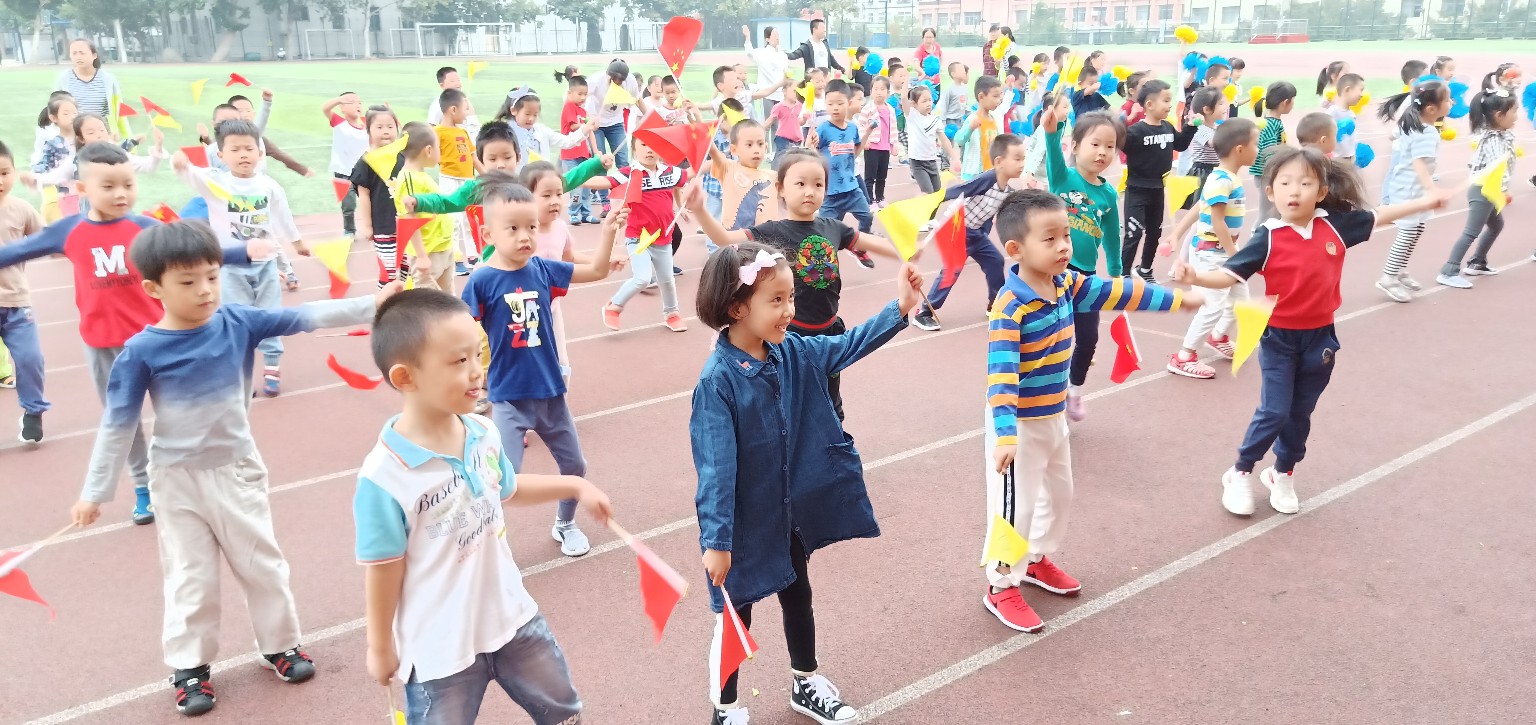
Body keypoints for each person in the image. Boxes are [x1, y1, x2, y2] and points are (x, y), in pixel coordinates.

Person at [68, 221, 389, 716]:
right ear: (154, 288)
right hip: (176, 480)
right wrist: (96, 491)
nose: (205, 290)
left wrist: (374, 304)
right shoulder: (141, 351)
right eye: (188, 281)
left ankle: (280, 646)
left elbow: (304, 316)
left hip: (236, 470)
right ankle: (189, 666)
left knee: (262, 564)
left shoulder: (237, 321)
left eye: (212, 277)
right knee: (190, 576)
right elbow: (118, 425)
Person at [692, 242, 924, 725]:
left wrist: (900, 307)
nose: (789, 311)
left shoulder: (793, 352)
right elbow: (715, 470)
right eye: (776, 300)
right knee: (736, 617)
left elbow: (848, 345)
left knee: (798, 594)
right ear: (737, 308)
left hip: (789, 513)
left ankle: (805, 681)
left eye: (791, 298)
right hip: (744, 526)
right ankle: (725, 709)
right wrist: (716, 542)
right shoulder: (718, 382)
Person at [358, 290, 611, 725]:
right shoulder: (384, 478)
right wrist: (380, 646)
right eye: (459, 361)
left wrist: (574, 484)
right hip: (440, 653)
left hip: (512, 618)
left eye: (478, 354)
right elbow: (383, 569)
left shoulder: (482, 431)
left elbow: (505, 488)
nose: (477, 371)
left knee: (563, 711)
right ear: (405, 377)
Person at [1170, 147, 1448, 515]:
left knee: (1299, 414)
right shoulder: (1267, 237)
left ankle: (1282, 473)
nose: (1294, 191)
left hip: (1320, 339)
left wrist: (1427, 201)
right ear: (1270, 192)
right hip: (1278, 339)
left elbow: (1382, 214)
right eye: (1285, 183)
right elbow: (1229, 275)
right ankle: (1240, 472)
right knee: (1274, 411)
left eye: (1305, 183)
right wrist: (1196, 276)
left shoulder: (1335, 226)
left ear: (1321, 192)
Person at [0, 143, 262, 518]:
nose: (121, 194)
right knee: (124, 421)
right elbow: (15, 252)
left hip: (159, 342)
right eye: (108, 186)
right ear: (82, 189)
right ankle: (143, 486)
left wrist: (244, 252)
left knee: (185, 410)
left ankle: (196, 475)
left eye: (128, 184)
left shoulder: (145, 229)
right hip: (104, 347)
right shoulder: (69, 230)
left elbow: (191, 251)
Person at [982, 189, 1198, 632]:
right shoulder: (1010, 307)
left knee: (1059, 494)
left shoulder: (1066, 283)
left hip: (1052, 416)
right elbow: (1000, 378)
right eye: (1050, 239)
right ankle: (1001, 585)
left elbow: (1118, 292)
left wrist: (1177, 300)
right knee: (1014, 509)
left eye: (1066, 235)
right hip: (1018, 426)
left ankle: (1035, 558)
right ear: (1016, 250)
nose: (1064, 245)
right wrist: (1005, 435)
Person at [462, 180, 626, 558]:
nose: (525, 236)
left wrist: (607, 232)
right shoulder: (482, 280)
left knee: (575, 465)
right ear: (488, 234)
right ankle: (487, 543)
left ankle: (564, 524)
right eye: (513, 228)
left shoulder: (543, 270)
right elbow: (460, 329)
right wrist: (468, 371)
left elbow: (597, 270)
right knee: (504, 478)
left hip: (551, 392)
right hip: (508, 397)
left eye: (532, 227)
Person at [692, 149, 900, 422]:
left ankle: (833, 434)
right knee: (791, 397)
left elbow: (874, 243)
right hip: (791, 334)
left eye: (818, 184)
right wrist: (700, 210)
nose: (809, 191)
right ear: (780, 188)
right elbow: (724, 239)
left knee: (831, 399)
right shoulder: (771, 231)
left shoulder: (834, 228)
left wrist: (908, 252)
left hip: (829, 332)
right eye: (800, 184)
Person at [172, 120, 305, 397]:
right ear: (221, 155)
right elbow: (190, 174)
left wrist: (296, 242)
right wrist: (181, 165)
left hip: (265, 266)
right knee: (236, 320)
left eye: (249, 148)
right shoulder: (216, 182)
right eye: (235, 150)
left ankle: (272, 364)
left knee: (270, 316)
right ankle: (242, 374)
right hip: (231, 267)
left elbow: (282, 216)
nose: (243, 154)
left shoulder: (268, 186)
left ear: (260, 153)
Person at [1039, 106, 1123, 422]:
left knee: (1088, 339)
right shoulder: (1064, 178)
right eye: (1095, 144)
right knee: (1051, 336)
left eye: (1110, 146)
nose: (1102, 152)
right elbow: (1053, 155)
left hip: (1086, 279)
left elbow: (1112, 236)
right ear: (1075, 146)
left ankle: (1073, 391)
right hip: (1053, 275)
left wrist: (1116, 271)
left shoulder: (1108, 195)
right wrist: (1051, 132)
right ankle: (1041, 390)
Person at [1167, 118, 1258, 379]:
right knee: (1212, 304)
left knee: (1240, 301)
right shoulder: (1222, 180)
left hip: (1225, 250)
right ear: (1239, 149)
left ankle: (1218, 336)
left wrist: (1176, 233)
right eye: (1255, 144)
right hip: (1212, 253)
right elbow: (1216, 221)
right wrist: (1234, 255)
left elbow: (1200, 206)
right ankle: (1184, 356)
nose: (1257, 149)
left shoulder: (1225, 177)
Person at [910, 134, 1025, 332]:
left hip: (976, 234)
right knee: (951, 271)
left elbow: (998, 215)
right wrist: (934, 198)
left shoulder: (1007, 192)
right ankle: (924, 313)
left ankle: (995, 305)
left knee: (996, 261)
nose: (1022, 164)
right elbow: (962, 189)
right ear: (999, 162)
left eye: (1023, 159)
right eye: (1017, 159)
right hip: (957, 229)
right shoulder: (988, 179)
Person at [1375, 78, 1451, 302]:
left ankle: (1399, 270)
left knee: (1416, 229)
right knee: (1408, 232)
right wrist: (1432, 189)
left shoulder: (1413, 122)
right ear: (1431, 109)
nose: (1451, 103)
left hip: (1411, 188)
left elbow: (1394, 136)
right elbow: (1419, 163)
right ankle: (1388, 277)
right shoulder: (1425, 131)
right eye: (1447, 100)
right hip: (1409, 190)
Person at [1437, 81, 1518, 288]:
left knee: (1496, 225)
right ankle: (1449, 270)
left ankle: (1477, 262)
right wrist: (1503, 189)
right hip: (1483, 190)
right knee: (1471, 231)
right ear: (1499, 115)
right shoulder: (1493, 139)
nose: (1517, 116)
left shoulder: (1499, 133)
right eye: (1514, 112)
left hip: (1489, 190)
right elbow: (1496, 167)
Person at [1119, 79, 1196, 283]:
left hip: (1158, 191)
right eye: (1166, 100)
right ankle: (1124, 273)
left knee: (1154, 233)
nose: (1170, 105)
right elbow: (1119, 143)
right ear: (1150, 104)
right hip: (1137, 190)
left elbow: (1181, 144)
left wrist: (1190, 126)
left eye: (1170, 100)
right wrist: (1124, 121)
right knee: (1134, 233)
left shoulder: (1167, 127)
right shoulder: (1136, 132)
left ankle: (1145, 269)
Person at [0, 140, 47, 444]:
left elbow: (47, 238)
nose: (0, 181)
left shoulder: (21, 209)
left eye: (5, 173)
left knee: (31, 360)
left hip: (16, 303)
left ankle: (33, 412)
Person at [395, 122, 456, 293]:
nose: (440, 152)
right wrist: (421, 256)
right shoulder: (409, 179)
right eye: (439, 147)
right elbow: (410, 218)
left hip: (442, 247)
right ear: (428, 150)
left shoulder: (421, 176)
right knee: (427, 302)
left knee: (448, 302)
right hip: (429, 253)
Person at [808, 80, 873, 239]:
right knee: (825, 231)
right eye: (830, 104)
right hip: (831, 193)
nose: (835, 108)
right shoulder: (823, 129)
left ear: (849, 103)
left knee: (867, 216)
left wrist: (866, 134)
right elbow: (812, 155)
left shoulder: (853, 128)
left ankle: (860, 243)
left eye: (839, 103)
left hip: (851, 189)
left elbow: (854, 154)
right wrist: (810, 145)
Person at [352, 105, 405, 288]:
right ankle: (384, 301)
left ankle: (407, 302)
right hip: (383, 226)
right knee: (389, 272)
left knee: (408, 270)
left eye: (390, 126)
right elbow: (364, 195)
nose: (386, 131)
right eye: (380, 127)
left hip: (406, 223)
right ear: (368, 130)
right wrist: (368, 226)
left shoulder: (402, 156)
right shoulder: (367, 161)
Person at [586, 60, 645, 216]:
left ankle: (625, 201)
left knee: (623, 161)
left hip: (616, 123)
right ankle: (605, 203)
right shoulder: (596, 80)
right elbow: (576, 95)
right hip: (596, 124)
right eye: (614, 79)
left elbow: (637, 100)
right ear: (608, 75)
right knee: (601, 162)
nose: (617, 82)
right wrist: (587, 119)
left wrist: (648, 116)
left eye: (620, 80)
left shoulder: (631, 81)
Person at [434, 88, 481, 277]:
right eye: (465, 109)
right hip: (449, 179)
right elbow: (434, 156)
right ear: (453, 110)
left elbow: (474, 158)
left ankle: (473, 255)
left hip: (468, 180)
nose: (467, 113)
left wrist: (489, 177)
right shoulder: (437, 132)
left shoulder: (463, 132)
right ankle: (455, 259)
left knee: (470, 218)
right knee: (452, 220)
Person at [322, 92, 370, 237]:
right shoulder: (339, 123)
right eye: (352, 102)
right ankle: (349, 230)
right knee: (348, 205)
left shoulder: (367, 124)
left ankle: (373, 226)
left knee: (371, 201)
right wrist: (339, 99)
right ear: (341, 108)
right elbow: (325, 108)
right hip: (343, 172)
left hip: (364, 171)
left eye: (359, 102)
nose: (357, 105)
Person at [555, 70, 600, 225]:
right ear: (570, 93)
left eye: (585, 94)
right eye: (579, 94)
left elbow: (590, 132)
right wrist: (587, 125)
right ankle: (574, 213)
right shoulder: (569, 107)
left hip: (584, 154)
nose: (583, 97)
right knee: (575, 186)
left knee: (587, 185)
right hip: (570, 155)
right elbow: (574, 126)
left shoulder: (583, 111)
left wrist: (596, 151)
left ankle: (586, 213)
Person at [53, 38, 125, 132]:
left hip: (101, 133)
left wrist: (116, 132)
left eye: (82, 53)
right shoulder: (63, 78)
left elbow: (118, 109)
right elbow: (55, 108)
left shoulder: (108, 79)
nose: (78, 57)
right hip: (74, 132)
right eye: (74, 53)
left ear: (94, 55)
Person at [1250, 82, 1298, 221]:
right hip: (1266, 174)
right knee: (1267, 212)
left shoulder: (1273, 121)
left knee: (1272, 210)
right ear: (1285, 102)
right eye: (1293, 100)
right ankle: (1257, 233)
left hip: (1268, 173)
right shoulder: (1270, 124)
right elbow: (1270, 152)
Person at [744, 24, 789, 118]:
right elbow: (749, 52)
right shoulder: (761, 53)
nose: (777, 38)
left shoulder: (783, 55)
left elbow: (785, 73)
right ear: (767, 39)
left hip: (781, 94)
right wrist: (747, 37)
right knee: (768, 120)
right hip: (767, 94)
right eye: (774, 35)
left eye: (778, 35)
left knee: (779, 121)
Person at [425, 66, 481, 137]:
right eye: (452, 81)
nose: (457, 83)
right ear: (442, 85)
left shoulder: (464, 100)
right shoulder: (437, 105)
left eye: (458, 80)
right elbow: (431, 128)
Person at [1325, 74, 1366, 163]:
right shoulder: (1333, 111)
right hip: (1337, 160)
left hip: (1350, 158)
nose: (1362, 95)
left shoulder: (1351, 113)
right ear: (1347, 90)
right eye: (1361, 90)